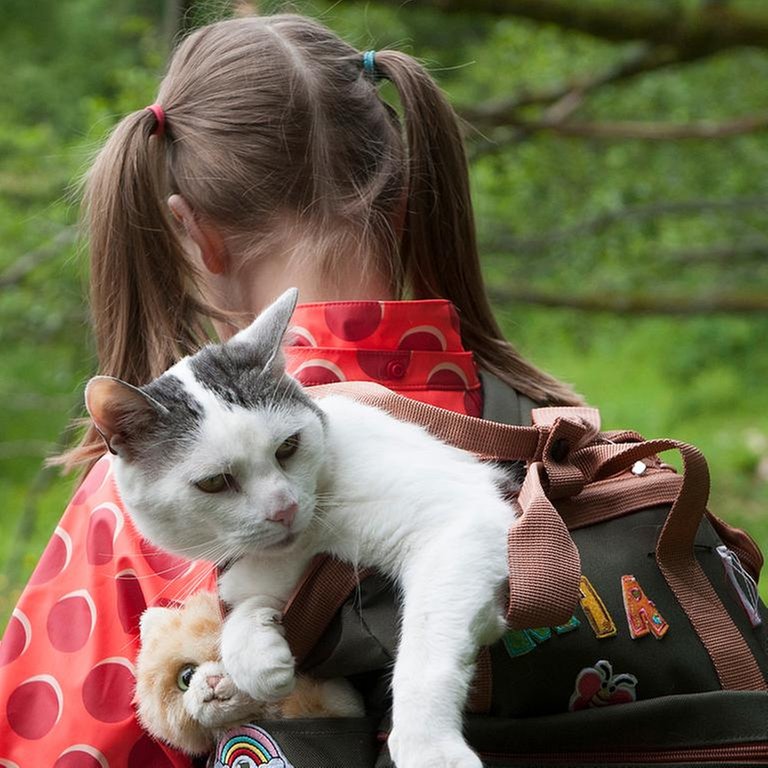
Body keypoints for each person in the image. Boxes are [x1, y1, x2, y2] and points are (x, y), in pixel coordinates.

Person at [0, 13, 580, 766]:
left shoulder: (140, 492)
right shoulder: (548, 427)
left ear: (190, 232)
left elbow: (56, 747)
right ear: (406, 198)